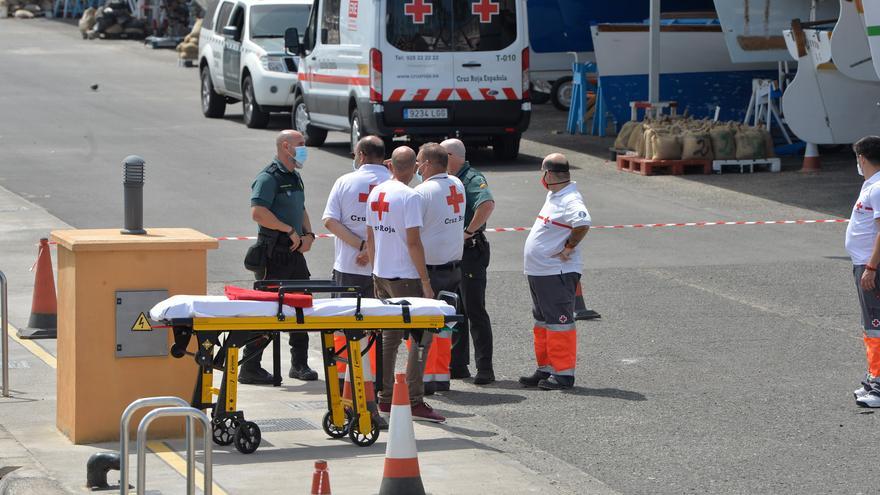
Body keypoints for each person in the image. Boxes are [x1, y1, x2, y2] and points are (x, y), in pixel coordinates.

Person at [366, 146, 445, 422]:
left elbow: (372, 235)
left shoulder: (377, 191)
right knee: (420, 338)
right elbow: (413, 242)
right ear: (414, 168)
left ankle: (385, 397)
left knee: (389, 339)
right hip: (405, 277)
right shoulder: (409, 197)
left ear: (391, 165)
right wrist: (425, 281)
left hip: (382, 274)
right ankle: (413, 399)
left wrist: (376, 271)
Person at [322, 135, 391, 428]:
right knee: (374, 336)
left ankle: (341, 391)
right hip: (383, 270)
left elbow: (329, 221)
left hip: (348, 269)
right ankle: (370, 396)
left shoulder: (344, 181)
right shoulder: (395, 185)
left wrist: (359, 246)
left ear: (361, 154)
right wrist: (371, 249)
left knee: (343, 331)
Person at [240, 130, 318, 385]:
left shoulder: (294, 176)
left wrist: (308, 234)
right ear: (286, 147)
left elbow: (301, 208)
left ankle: (300, 364)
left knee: (301, 305)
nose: (305, 149)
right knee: (267, 310)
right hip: (274, 253)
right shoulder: (268, 178)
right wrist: (288, 230)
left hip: (294, 252)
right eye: (301, 144)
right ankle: (250, 366)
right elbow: (258, 213)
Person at [519, 153, 591, 391]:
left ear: (549, 174)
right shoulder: (555, 194)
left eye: (543, 173)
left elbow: (582, 223)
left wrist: (569, 247)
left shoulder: (570, 199)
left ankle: (563, 374)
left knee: (559, 323)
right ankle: (546, 368)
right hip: (541, 272)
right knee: (542, 322)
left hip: (555, 272)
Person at [441, 138, 497, 385]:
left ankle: (485, 368)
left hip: (470, 252)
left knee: (474, 310)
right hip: (454, 253)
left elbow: (486, 204)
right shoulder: (448, 179)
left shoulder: (472, 178)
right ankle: (458, 364)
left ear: (452, 156)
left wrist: (468, 232)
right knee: (456, 309)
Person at [413, 143, 465, 394]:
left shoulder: (422, 192)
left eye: (420, 161)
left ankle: (425, 378)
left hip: (431, 270)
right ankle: (440, 375)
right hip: (453, 266)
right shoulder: (457, 185)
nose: (417, 166)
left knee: (425, 326)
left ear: (429, 164)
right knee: (444, 325)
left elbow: (412, 233)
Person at [846, 136, 880, 408]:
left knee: (877, 326)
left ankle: (879, 386)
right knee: (870, 326)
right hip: (863, 265)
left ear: (862, 158)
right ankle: (873, 377)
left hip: (872, 267)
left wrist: (871, 267)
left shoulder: (878, 187)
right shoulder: (870, 185)